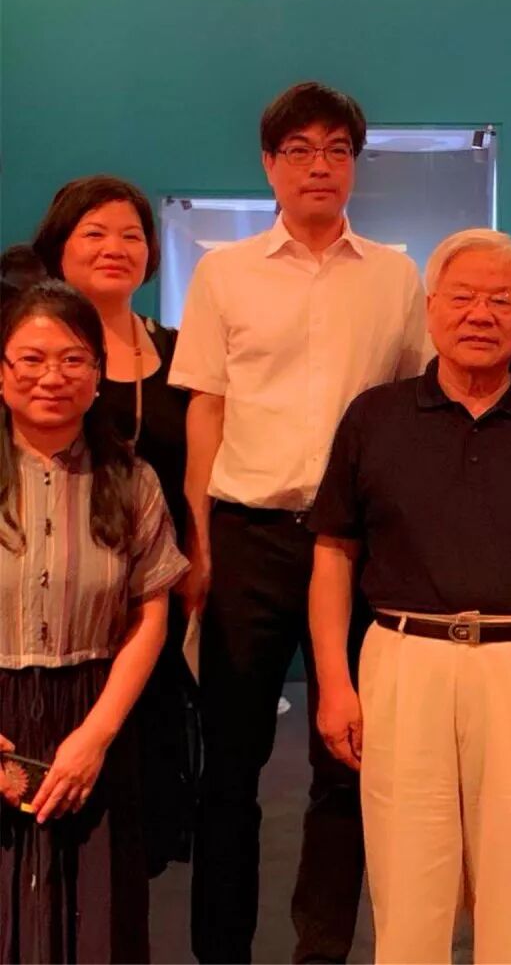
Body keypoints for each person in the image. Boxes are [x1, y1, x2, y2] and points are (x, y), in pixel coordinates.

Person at [169, 81, 429, 964]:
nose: (320, 166)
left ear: (355, 164)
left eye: (337, 150)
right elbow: (206, 408)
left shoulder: (394, 275)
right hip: (249, 536)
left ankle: (322, 948)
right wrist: (200, 540)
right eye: (300, 150)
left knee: (348, 761)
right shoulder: (225, 273)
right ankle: (222, 951)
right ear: (269, 165)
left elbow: (413, 409)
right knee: (230, 765)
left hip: (359, 545)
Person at [308, 228, 511, 963]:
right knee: (409, 894)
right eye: (464, 297)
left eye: (501, 301)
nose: (481, 314)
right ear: (431, 308)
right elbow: (334, 555)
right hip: (403, 662)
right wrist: (335, 684)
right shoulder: (374, 417)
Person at [0, 280, 187, 963]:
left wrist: (96, 736)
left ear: (98, 373)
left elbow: (150, 611)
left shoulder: (133, 480)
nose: (53, 377)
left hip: (94, 711)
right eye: (31, 359)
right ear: (1, 371)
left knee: (97, 920)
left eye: (73, 359)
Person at [32, 173, 197, 877]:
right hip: (54, 590)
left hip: (155, 591)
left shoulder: (182, 349)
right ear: (59, 246)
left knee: (141, 787)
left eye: (132, 235)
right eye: (94, 232)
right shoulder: (29, 348)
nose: (115, 247)